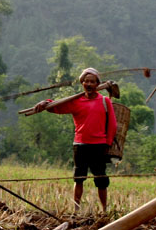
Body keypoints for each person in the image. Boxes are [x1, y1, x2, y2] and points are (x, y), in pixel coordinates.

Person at [34, 68, 117, 213]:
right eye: (86, 81)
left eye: (92, 81)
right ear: (82, 83)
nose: (89, 84)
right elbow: (57, 107)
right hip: (80, 145)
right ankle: (76, 211)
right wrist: (45, 103)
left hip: (99, 146)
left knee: (101, 180)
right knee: (78, 178)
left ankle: (104, 210)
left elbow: (112, 125)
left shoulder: (104, 101)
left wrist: (108, 143)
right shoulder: (75, 101)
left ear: (97, 84)